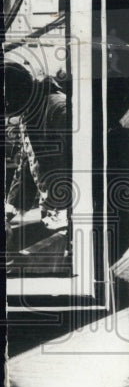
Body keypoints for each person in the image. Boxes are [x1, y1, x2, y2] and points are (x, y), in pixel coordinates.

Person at [4, 61, 71, 270]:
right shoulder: (30, 111)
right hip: (54, 213)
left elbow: (78, 165)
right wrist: (8, 211)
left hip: (69, 214)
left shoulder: (58, 108)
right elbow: (27, 164)